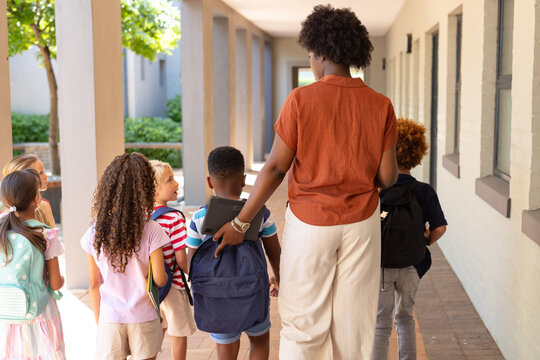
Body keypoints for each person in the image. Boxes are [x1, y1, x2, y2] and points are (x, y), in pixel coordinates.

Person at [213, 5, 398, 360]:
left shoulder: (300, 100)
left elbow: (275, 169)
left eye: (311, 55)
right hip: (362, 224)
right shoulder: (381, 105)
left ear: (322, 52)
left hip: (311, 223)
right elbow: (388, 177)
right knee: (353, 324)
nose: (311, 62)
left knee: (304, 323)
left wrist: (240, 221)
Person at [186, 146, 281, 360]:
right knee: (259, 342)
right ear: (244, 179)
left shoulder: (199, 218)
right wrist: (277, 276)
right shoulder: (260, 213)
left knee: (225, 350)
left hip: (217, 297)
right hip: (254, 293)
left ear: (210, 182)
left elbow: (191, 262)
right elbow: (274, 251)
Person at [80, 152, 171, 360]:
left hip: (110, 318)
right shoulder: (152, 230)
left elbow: (94, 284)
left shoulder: (95, 232)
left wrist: (100, 320)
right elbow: (159, 278)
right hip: (144, 317)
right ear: (147, 189)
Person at [372, 118, 447, 360]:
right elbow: (440, 228)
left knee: (381, 325)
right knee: (405, 319)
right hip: (412, 265)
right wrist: (423, 241)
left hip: (382, 266)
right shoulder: (424, 191)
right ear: (417, 153)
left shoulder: (377, 189)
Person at [0, 169, 65, 359]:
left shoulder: (2, 230)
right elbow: (55, 284)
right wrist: (62, 279)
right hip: (41, 313)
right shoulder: (45, 234)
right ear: (37, 199)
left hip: (7, 313)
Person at [149, 160, 196, 360]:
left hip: (150, 285)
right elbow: (181, 259)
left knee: (154, 334)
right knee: (178, 334)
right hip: (173, 285)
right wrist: (195, 274)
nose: (176, 184)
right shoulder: (174, 218)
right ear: (155, 191)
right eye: (170, 180)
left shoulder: (143, 216)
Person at [2, 154, 55, 228]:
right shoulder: (8, 214)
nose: (46, 176)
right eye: (40, 173)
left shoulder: (45, 205)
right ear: (23, 178)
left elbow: (52, 235)